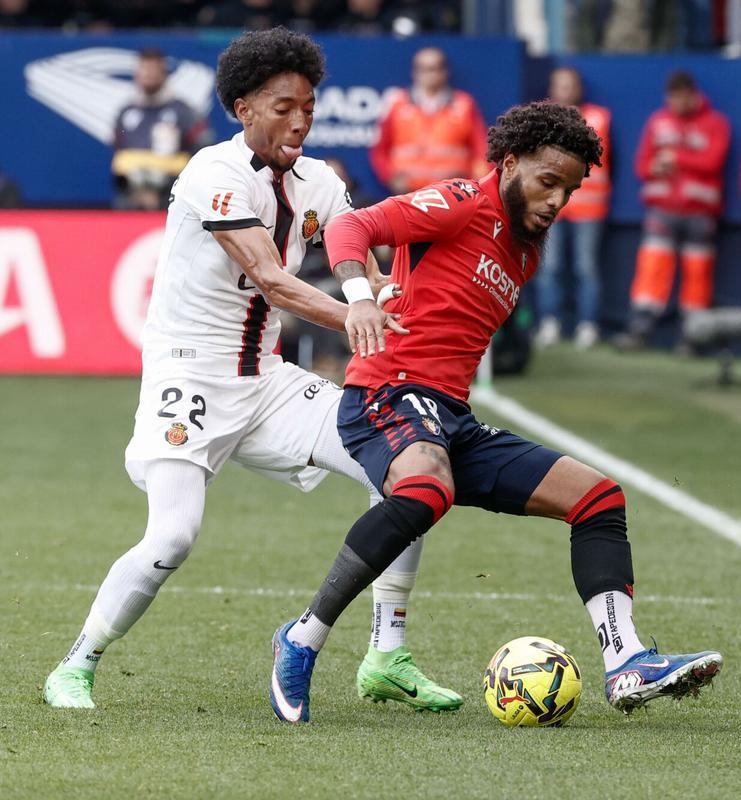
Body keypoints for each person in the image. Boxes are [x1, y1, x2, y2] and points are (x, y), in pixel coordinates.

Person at [43, 28, 460, 714]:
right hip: (190, 377)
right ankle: (77, 663)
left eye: (308, 107)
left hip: (266, 380)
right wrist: (354, 317)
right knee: (173, 535)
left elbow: (366, 266)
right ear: (242, 108)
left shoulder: (322, 179)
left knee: (408, 473)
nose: (299, 120)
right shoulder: (213, 172)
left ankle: (387, 655)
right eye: (282, 106)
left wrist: (387, 296)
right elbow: (271, 280)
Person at [267, 100, 723, 724]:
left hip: (449, 416)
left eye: (571, 188)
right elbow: (352, 230)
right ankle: (301, 638)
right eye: (546, 181)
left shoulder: (526, 250)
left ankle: (627, 660)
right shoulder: (460, 201)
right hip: (386, 394)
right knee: (428, 490)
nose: (558, 200)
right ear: (508, 165)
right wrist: (359, 297)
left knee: (599, 498)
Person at [615, 70, 730, 351]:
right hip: (662, 209)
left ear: (693, 95)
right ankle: (639, 329)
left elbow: (713, 161)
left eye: (681, 97)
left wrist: (676, 158)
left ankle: (693, 338)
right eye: (672, 98)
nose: (676, 103)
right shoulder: (658, 121)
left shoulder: (715, 123)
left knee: (697, 273)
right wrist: (655, 167)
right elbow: (641, 166)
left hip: (700, 212)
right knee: (652, 269)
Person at [534, 66, 612, 350]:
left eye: (570, 85)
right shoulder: (542, 120)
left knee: (586, 268)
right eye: (560, 85)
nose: (565, 91)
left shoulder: (599, 118)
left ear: (578, 88)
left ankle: (588, 324)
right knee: (549, 267)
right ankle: (549, 322)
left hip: (589, 207)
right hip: (551, 206)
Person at [369, 47, 488, 197]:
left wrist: (474, 184)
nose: (430, 74)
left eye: (435, 68)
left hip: (452, 195)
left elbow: (481, 149)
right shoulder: (396, 103)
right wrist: (391, 177)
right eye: (423, 69)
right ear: (414, 72)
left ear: (445, 72)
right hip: (407, 194)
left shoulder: (464, 104)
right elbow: (379, 150)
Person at [111, 47, 211, 211]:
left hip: (172, 194)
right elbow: (119, 151)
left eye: (153, 69)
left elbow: (202, 150)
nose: (148, 74)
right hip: (132, 195)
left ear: (164, 73)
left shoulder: (183, 111)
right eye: (144, 69)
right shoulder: (126, 111)